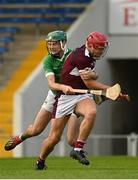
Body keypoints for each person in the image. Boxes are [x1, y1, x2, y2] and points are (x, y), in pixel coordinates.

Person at [4, 30, 98, 169]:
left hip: (75, 97)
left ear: (63, 43)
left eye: (54, 44)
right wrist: (63, 87)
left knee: (72, 140)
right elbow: (51, 84)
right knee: (37, 130)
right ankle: (21, 138)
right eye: (49, 44)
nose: (51, 47)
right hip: (56, 96)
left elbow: (88, 76)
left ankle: (77, 149)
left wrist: (94, 75)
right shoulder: (48, 60)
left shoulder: (73, 55)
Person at [34, 31, 129, 169]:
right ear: (89, 46)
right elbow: (90, 83)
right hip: (65, 97)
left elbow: (89, 79)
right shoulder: (82, 58)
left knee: (91, 113)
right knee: (54, 138)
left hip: (81, 95)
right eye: (99, 48)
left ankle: (78, 149)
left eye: (102, 48)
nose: (101, 51)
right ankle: (40, 161)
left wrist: (109, 91)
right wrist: (110, 89)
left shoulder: (90, 55)